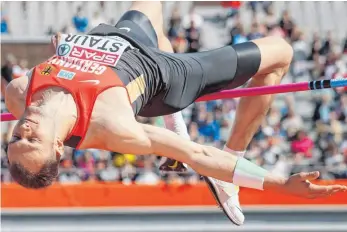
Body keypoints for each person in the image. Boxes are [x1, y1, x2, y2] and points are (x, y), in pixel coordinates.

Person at [4, 1, 346, 227]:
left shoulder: (18, 93)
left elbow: (57, 70)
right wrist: (279, 184)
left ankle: (177, 122)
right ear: (58, 147)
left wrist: (62, 49)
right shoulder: (111, 126)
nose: (25, 129)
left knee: (155, 12)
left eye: (17, 136)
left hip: (119, 36)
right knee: (281, 51)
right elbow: (196, 154)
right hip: (167, 75)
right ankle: (230, 162)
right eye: (33, 140)